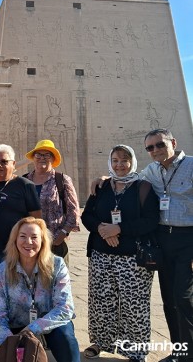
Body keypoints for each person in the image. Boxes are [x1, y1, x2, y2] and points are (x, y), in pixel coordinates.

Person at [82, 145, 159, 361]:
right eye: (115, 160)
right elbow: (87, 216)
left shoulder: (143, 187)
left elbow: (151, 220)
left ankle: (135, 350)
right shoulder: (102, 186)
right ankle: (100, 341)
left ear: (132, 161)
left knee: (134, 305)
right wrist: (102, 230)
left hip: (133, 258)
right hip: (101, 254)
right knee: (100, 300)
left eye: (124, 160)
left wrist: (120, 229)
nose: (120, 165)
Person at [0, 144, 42, 346]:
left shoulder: (25, 186)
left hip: (13, 253)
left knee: (13, 297)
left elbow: (36, 220)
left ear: (14, 164)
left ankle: (14, 336)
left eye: (4, 161)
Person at [0, 217, 80, 362]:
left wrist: (32, 329)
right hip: (16, 327)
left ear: (43, 241)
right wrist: (9, 342)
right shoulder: (2, 271)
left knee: (65, 336)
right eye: (23, 237)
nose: (28, 242)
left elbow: (65, 308)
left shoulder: (57, 265)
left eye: (34, 237)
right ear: (14, 240)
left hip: (50, 324)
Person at [141, 129, 193, 362]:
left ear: (173, 142)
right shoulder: (151, 170)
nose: (155, 151)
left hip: (188, 238)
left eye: (159, 145)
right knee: (169, 299)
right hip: (163, 239)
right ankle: (179, 352)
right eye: (149, 148)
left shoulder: (191, 166)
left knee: (184, 297)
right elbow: (128, 178)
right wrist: (102, 179)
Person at [23, 139, 80, 265]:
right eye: (38, 155)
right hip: (28, 244)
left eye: (47, 155)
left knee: (56, 282)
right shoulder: (24, 180)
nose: (42, 158)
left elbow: (73, 211)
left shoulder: (62, 180)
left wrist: (62, 235)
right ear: (33, 158)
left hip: (55, 243)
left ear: (53, 159)